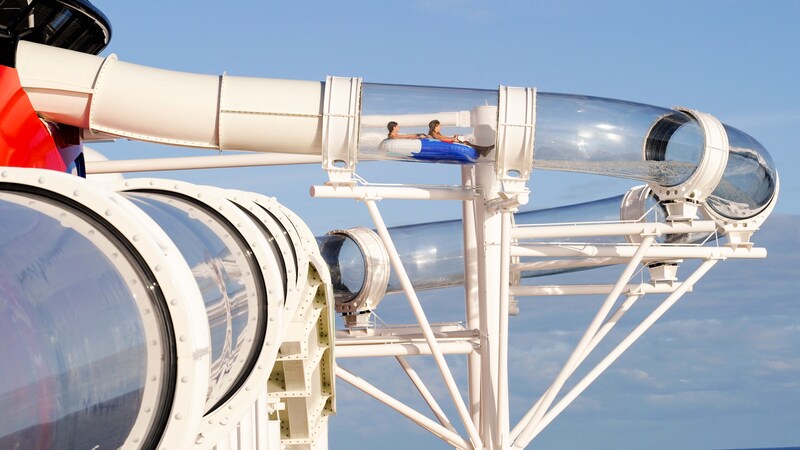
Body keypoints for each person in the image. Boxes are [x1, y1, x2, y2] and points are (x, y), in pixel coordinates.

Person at [427, 119, 494, 156]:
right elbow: (441, 139)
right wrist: (452, 139)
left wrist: (453, 138)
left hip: (448, 145)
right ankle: (484, 150)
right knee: (465, 143)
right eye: (439, 126)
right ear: (435, 126)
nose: (440, 127)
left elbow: (443, 139)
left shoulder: (436, 133)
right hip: (447, 147)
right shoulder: (433, 134)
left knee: (466, 142)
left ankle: (484, 150)